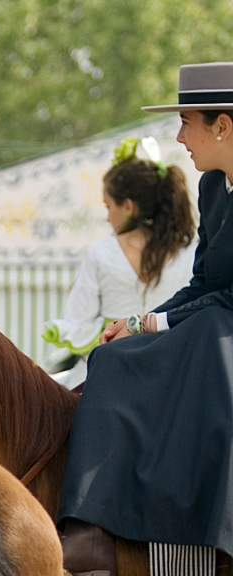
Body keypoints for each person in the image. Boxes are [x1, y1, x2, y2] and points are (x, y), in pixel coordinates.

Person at [58, 62, 233, 576]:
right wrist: (139, 322)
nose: (179, 137)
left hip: (219, 332)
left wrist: (154, 327)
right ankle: (91, 527)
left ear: (222, 125)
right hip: (212, 324)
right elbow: (204, 283)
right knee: (109, 358)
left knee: (199, 340)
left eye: (187, 122)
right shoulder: (214, 190)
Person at [41, 136, 196, 388]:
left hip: (112, 375)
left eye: (107, 206)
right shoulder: (191, 252)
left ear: (128, 207)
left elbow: (77, 321)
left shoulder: (102, 252)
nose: (107, 217)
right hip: (174, 377)